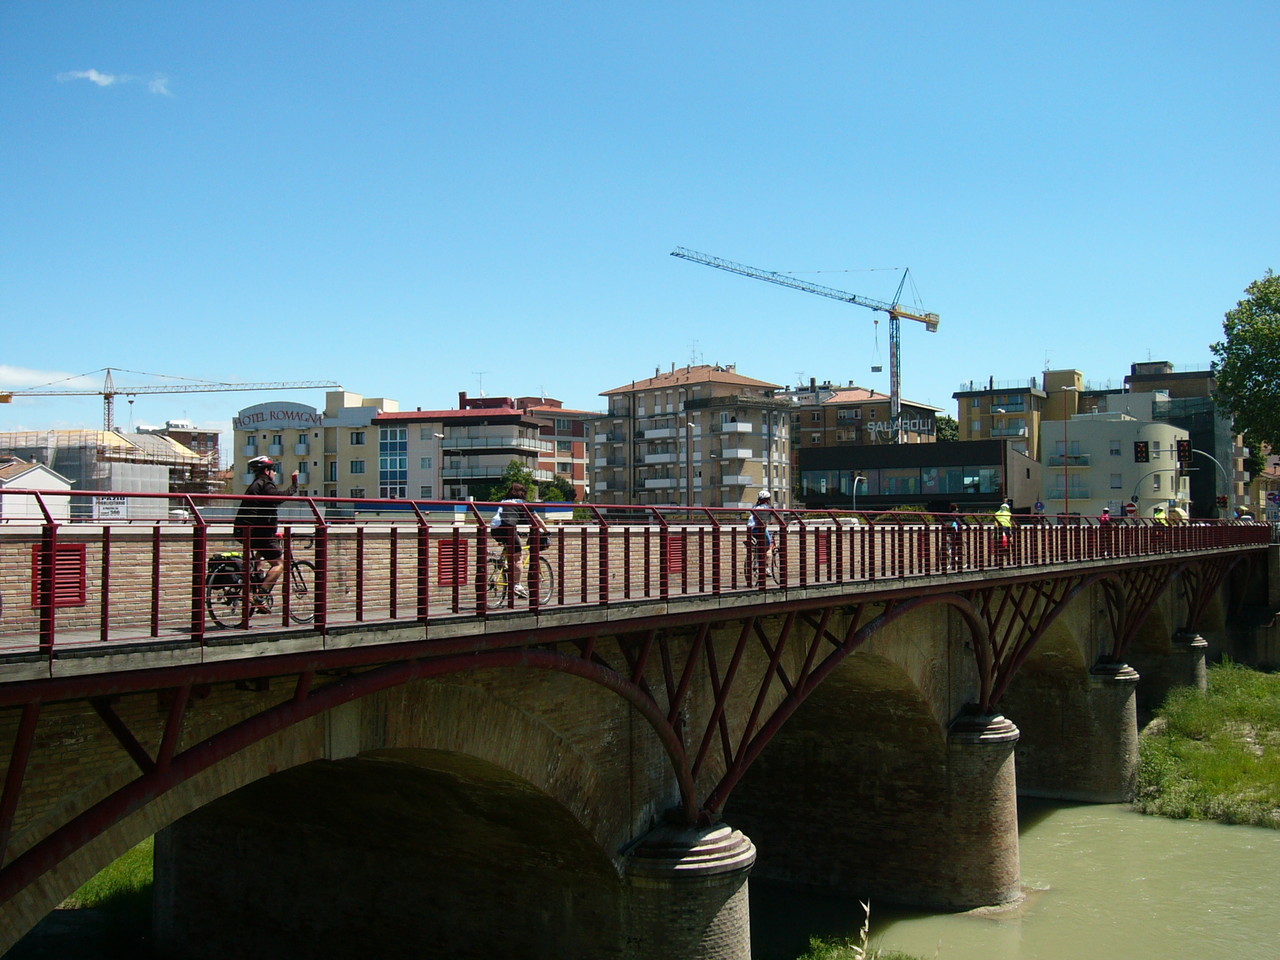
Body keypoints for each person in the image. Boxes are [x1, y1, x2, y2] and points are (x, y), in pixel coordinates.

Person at [233, 456, 298, 611]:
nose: (274, 473)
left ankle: (253, 584)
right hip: (258, 533)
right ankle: (260, 596)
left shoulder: (255, 484)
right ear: (267, 471)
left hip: (246, 531)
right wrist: (294, 485)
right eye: (273, 470)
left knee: (259, 556)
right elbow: (278, 498)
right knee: (280, 564)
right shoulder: (265, 484)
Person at [490, 482, 530, 598]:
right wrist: (545, 531)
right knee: (518, 557)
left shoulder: (503, 501)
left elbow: (509, 518)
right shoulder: (521, 503)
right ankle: (517, 585)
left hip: (494, 529)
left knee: (510, 545)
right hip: (507, 528)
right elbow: (534, 519)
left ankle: (503, 564)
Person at [746, 489, 776, 585]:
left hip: (752, 531)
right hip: (762, 530)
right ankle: (766, 568)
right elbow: (778, 518)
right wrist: (784, 526)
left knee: (758, 547)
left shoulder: (754, 507)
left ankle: (756, 561)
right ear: (768, 499)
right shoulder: (769, 508)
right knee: (768, 547)